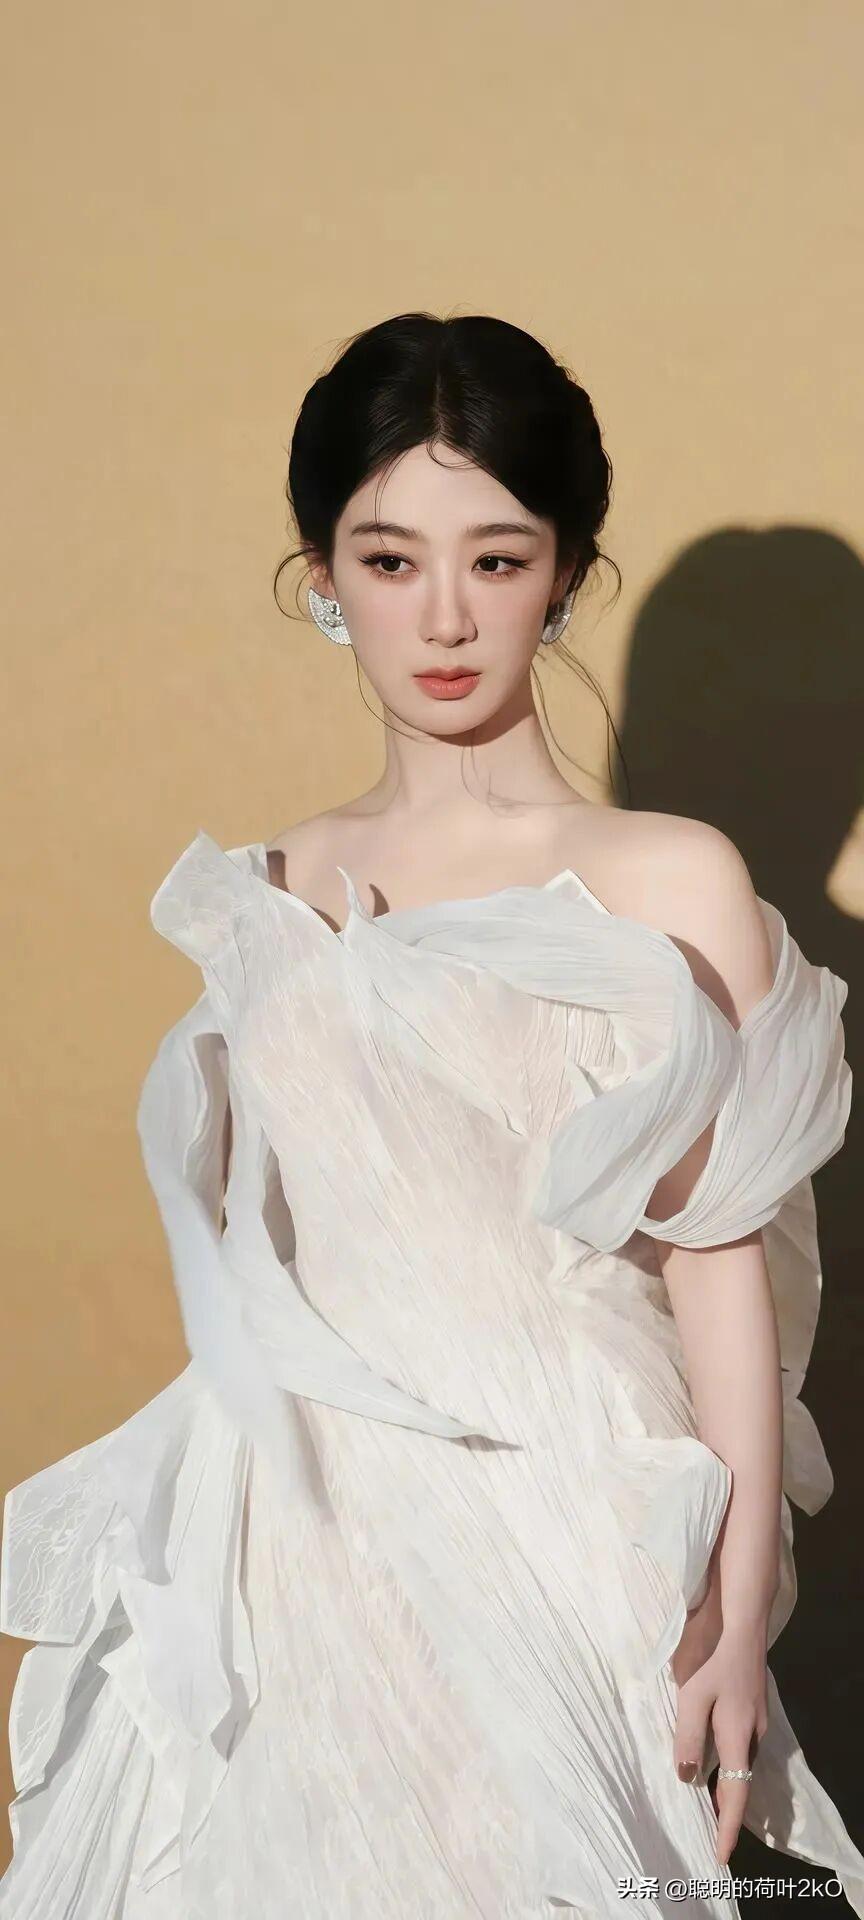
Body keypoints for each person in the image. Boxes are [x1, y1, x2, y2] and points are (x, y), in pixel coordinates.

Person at [1, 311, 861, 1920]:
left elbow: (717, 1263)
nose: (447, 617)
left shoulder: (668, 879)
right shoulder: (271, 887)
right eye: (391, 561)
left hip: (567, 1515)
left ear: (568, 572)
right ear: (322, 577)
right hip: (296, 1537)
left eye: (499, 558)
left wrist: (737, 1608)